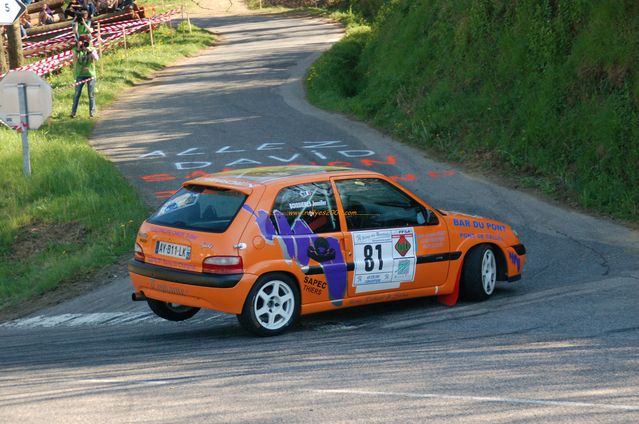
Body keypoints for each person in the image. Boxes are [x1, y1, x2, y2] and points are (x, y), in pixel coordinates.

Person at [70, 35, 99, 118]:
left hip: (90, 74)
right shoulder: (76, 50)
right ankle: (73, 112)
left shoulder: (92, 49)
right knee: (77, 94)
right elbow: (74, 61)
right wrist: (78, 50)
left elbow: (97, 59)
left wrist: (90, 52)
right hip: (80, 74)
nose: (84, 44)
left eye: (86, 42)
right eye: (83, 42)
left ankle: (92, 113)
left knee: (91, 94)